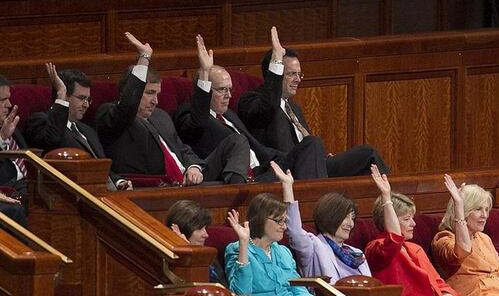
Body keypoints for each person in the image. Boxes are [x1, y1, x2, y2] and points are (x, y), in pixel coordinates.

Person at [96, 33, 250, 185]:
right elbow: (127, 108)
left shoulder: (160, 116)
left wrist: (193, 167)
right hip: (160, 186)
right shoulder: (110, 114)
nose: (155, 101)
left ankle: (239, 191)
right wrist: (144, 58)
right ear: (129, 91)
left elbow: (183, 150)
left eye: (157, 94)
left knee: (237, 141)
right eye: (149, 93)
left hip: (190, 180)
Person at [238, 26, 389, 178]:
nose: (297, 80)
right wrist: (276, 59)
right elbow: (268, 107)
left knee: (367, 154)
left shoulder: (294, 108)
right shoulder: (252, 100)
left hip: (313, 164)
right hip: (285, 169)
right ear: (273, 73)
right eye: (291, 74)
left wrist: (320, 156)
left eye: (299, 74)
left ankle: (392, 193)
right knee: (312, 142)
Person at [174, 58, 327, 183]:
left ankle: (316, 203)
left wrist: (290, 156)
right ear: (205, 89)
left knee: (311, 144)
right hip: (239, 177)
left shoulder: (230, 115)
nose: (229, 95)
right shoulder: (190, 115)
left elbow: (259, 148)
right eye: (222, 89)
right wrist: (205, 73)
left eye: (230, 89)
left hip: (261, 171)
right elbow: (197, 123)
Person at [224, 193, 317, 296]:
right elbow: (241, 294)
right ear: (260, 219)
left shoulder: (283, 251)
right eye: (279, 221)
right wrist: (244, 244)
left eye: (285, 221)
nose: (284, 226)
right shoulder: (237, 249)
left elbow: (296, 285)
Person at [365, 170, 463, 296]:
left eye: (412, 218)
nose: (414, 224)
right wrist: (386, 197)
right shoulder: (377, 248)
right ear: (388, 220)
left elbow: (439, 284)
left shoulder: (415, 248)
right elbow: (393, 239)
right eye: (406, 219)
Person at [25, 64, 131, 191]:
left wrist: (119, 182)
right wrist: (61, 95)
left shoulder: (87, 130)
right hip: (73, 194)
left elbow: (100, 166)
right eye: (81, 98)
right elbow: (52, 140)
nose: (86, 105)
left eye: (88, 99)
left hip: (107, 193)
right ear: (64, 95)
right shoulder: (40, 121)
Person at [432, 179, 499, 296]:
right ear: (463, 211)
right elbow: (461, 252)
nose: (484, 215)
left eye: (486, 209)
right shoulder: (443, 239)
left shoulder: (484, 238)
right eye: (478, 209)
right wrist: (458, 207)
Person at [273, 162, 370, 281]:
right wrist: (287, 186)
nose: (350, 224)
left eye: (352, 218)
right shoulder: (313, 245)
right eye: (345, 217)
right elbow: (294, 231)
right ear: (331, 216)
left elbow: (371, 284)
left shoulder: (357, 253)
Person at [164, 199, 221, 283]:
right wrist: (185, 249)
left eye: (205, 228)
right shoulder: (168, 261)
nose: (206, 235)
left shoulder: (208, 255)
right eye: (199, 228)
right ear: (183, 229)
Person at [0, 74, 31, 225]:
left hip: (29, 184)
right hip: (7, 189)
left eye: (9, 98)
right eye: (2, 100)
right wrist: (1, 139)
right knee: (14, 209)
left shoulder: (11, 127)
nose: (9, 104)